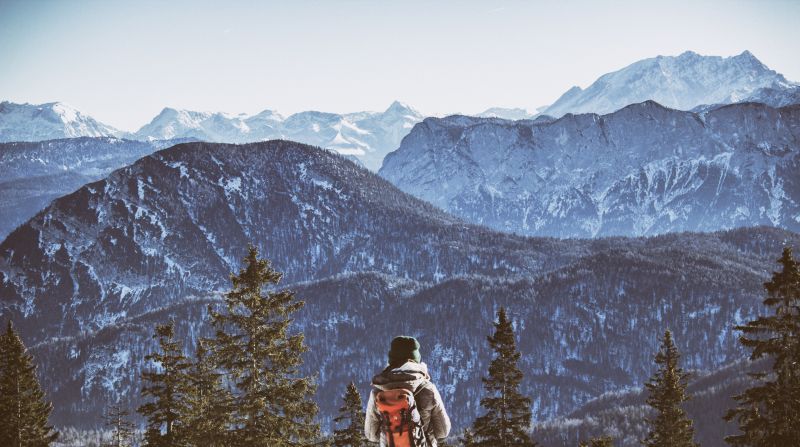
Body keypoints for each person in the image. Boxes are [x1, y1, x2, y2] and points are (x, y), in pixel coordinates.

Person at [365, 336, 451, 446]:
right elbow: (443, 431)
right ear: (416, 358)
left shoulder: (377, 393)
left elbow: (371, 434)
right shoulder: (428, 390)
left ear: (391, 359)